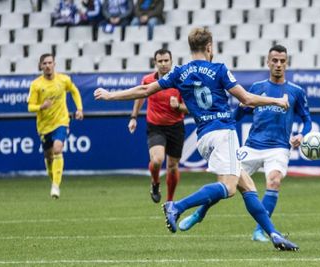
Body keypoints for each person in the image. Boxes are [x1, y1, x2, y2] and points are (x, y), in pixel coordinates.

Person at [94, 27, 299, 251]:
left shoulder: (179, 72)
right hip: (223, 132)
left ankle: (274, 235)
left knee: (247, 186)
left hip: (204, 138)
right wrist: (276, 101)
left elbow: (145, 90)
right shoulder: (219, 69)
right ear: (210, 47)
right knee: (229, 188)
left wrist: (110, 95)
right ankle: (177, 206)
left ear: (191, 48)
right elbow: (247, 99)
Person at [178, 45, 312, 243]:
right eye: (274, 60)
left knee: (274, 180)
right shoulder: (257, 88)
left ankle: (260, 231)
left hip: (278, 147)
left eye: (282, 61)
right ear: (267, 62)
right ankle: (199, 214)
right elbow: (238, 114)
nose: (278, 65)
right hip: (251, 146)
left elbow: (307, 119)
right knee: (226, 182)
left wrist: (302, 135)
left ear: (287, 63)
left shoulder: (296, 92)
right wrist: (229, 122)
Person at [128, 48, 188, 204]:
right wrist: (134, 117)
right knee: (157, 160)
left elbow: (189, 107)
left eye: (166, 60)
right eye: (160, 61)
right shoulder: (148, 80)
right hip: (155, 126)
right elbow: (140, 96)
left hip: (176, 126)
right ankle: (155, 183)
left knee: (173, 166)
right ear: (155, 63)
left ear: (171, 61)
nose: (163, 64)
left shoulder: (180, 81)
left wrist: (178, 107)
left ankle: (169, 201)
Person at [27, 53, 84, 199]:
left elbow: (74, 91)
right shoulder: (36, 85)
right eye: (44, 63)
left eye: (50, 62)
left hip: (61, 121)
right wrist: (41, 106)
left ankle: (56, 186)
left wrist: (79, 109)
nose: (47, 66)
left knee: (58, 149)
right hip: (44, 126)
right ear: (41, 66)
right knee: (49, 156)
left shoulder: (63, 80)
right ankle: (54, 180)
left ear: (54, 64)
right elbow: (30, 107)